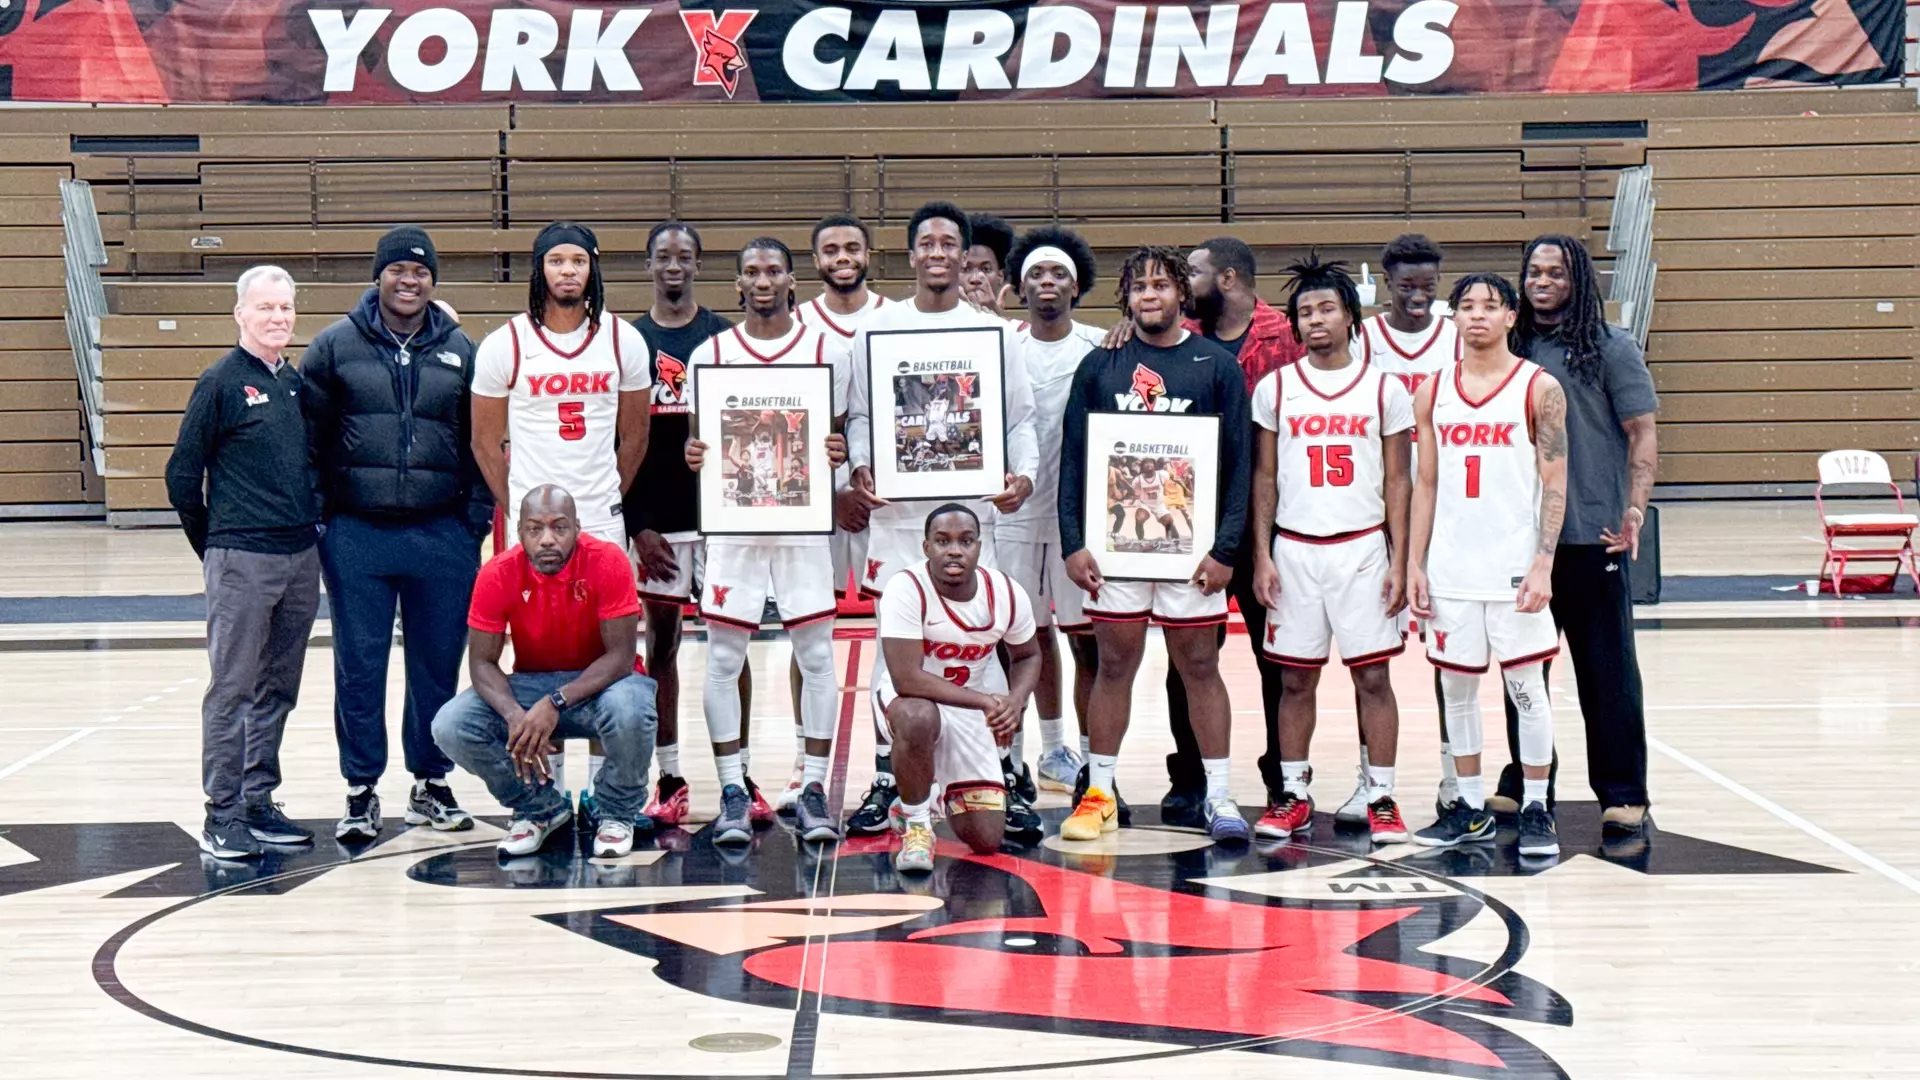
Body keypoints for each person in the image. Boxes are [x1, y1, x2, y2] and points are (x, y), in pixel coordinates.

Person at [841, 201, 1039, 838]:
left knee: (990, 645)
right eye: (925, 241)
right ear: (911, 253)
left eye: (948, 243)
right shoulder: (876, 329)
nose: (936, 252)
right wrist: (864, 467)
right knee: (890, 654)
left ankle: (1005, 766)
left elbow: (1019, 422)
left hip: (972, 517)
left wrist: (1024, 478)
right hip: (899, 519)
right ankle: (886, 779)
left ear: (963, 254)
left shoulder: (995, 335)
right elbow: (864, 418)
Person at [1058, 245, 1253, 844]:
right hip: (1117, 547)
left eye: (1161, 285)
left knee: (1200, 667)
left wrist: (1225, 549)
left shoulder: (1216, 365)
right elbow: (1074, 459)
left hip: (1190, 551)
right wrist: (1073, 541)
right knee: (1115, 666)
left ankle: (1218, 795)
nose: (1150, 295)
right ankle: (1099, 794)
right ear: (1125, 298)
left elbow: (1240, 464)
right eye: (1139, 286)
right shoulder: (1101, 366)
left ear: (1180, 295)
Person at [303, 226, 490, 843]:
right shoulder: (333, 346)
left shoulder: (462, 348)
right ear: (377, 276)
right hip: (359, 536)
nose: (409, 282)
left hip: (443, 535)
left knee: (438, 667)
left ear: (433, 282)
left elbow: (482, 443)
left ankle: (431, 782)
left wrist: (476, 519)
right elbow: (307, 441)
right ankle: (360, 789)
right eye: (397, 271)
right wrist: (324, 517)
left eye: (421, 272)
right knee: (359, 667)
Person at [470, 221, 652, 817]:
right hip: (531, 518)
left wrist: (605, 497)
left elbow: (636, 433)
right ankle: (541, 790)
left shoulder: (624, 340)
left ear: (592, 268)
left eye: (577, 260)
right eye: (556, 261)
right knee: (540, 650)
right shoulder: (507, 343)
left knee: (604, 652)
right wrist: (518, 506)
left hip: (598, 513)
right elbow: (484, 440)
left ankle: (604, 795)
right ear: (539, 270)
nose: (567, 271)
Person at [684, 237, 851, 846]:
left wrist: (840, 451)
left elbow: (839, 434)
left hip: (803, 529)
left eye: (773, 270)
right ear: (737, 284)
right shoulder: (712, 353)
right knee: (724, 660)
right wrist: (693, 452)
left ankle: (812, 787)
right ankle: (732, 788)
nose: (762, 280)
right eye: (750, 270)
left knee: (815, 657)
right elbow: (702, 443)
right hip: (735, 528)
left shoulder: (826, 349)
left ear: (791, 280)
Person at [1249, 255, 1414, 846]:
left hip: (1363, 548)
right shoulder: (1276, 387)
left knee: (1373, 678)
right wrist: (1262, 554)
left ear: (1350, 315)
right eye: (1304, 312)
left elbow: (1400, 480)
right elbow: (1264, 477)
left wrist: (1399, 557)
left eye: (1325, 309)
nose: (1314, 320)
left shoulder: (1384, 389)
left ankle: (1383, 795)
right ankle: (1293, 793)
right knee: (1295, 681)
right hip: (1294, 550)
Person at [1408, 273, 1568, 858]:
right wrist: (1415, 565)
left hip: (1512, 567)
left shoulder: (1539, 387)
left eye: (1489, 306)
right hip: (1451, 567)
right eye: (1466, 306)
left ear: (1510, 318)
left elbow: (1555, 478)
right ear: (1453, 318)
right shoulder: (1431, 390)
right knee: (1457, 691)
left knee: (1527, 689)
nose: (1477, 316)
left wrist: (1543, 562)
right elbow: (1424, 483)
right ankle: (1470, 807)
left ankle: (1534, 806)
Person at [165, 265, 320, 859]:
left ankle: (258, 800)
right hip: (241, 558)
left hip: (298, 556)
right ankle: (221, 814)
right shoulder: (220, 382)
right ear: (240, 315)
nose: (277, 317)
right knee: (231, 689)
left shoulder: (293, 383)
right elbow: (182, 475)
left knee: (278, 687)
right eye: (265, 308)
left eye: (285, 308)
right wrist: (215, 547)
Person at [1508, 234, 1659, 835]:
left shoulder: (1610, 348)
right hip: (1521, 540)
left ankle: (1624, 790)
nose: (1543, 283)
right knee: (1523, 675)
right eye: (1534, 272)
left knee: (1606, 672)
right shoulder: (1508, 348)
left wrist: (1635, 510)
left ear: (1580, 282)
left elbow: (1641, 433)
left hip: (1592, 533)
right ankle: (1523, 781)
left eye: (1557, 274)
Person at [1161, 237, 1304, 827]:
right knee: (1187, 659)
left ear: (1224, 277)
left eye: (1189, 272)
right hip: (1193, 519)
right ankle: (1190, 775)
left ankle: (1283, 776)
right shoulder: (1175, 335)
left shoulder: (1288, 336)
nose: (1179, 281)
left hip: (1270, 522)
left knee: (1280, 657)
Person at [433, 486, 657, 858]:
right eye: (535, 529)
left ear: (578, 528)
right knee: (451, 725)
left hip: (603, 685)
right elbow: (481, 663)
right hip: (531, 685)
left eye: (559, 527)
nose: (548, 539)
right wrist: (514, 716)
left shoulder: (608, 560)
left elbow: (620, 657)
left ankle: (616, 812)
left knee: (632, 707)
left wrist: (554, 702)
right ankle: (540, 809)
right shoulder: (497, 573)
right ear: (519, 532)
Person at [1339, 233, 1463, 826]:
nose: (1418, 296)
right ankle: (1370, 781)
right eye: (1407, 285)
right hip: (1379, 510)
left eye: (1428, 286)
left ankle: (1453, 778)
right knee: (1371, 657)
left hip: (1446, 510)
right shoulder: (1363, 336)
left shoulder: (1456, 334)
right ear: (1387, 283)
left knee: (1450, 651)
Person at [624, 220, 733, 829]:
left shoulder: (723, 337)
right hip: (658, 526)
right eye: (662, 255)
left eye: (684, 256)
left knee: (729, 651)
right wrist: (637, 523)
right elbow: (623, 442)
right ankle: (669, 774)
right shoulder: (631, 342)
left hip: (719, 521)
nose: (673, 265)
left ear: (697, 264)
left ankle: (736, 781)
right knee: (660, 648)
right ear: (648, 265)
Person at [876, 504, 1041, 871]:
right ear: (926, 547)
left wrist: (1015, 700)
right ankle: (918, 827)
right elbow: (907, 678)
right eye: (943, 541)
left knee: (986, 839)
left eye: (965, 541)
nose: (954, 550)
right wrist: (986, 702)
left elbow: (1028, 656)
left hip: (967, 706)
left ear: (979, 547)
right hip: (908, 699)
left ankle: (914, 798)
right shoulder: (906, 587)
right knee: (918, 717)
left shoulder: (1006, 593)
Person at [997, 227, 1103, 797]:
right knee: (1023, 641)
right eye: (1036, 274)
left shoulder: (1101, 345)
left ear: (1077, 284)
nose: (1046, 283)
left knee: (1085, 641)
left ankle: (1085, 758)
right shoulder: (1003, 345)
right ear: (1020, 285)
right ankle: (1019, 757)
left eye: (1058, 273)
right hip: (1012, 515)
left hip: (1077, 523)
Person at [961, 213, 1015, 307]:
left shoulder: (1016, 323)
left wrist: (995, 317)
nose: (975, 279)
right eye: (966, 269)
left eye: (985, 269)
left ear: (1000, 276)